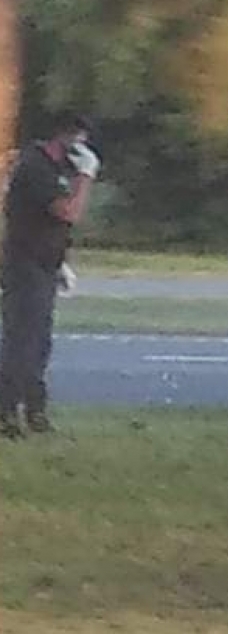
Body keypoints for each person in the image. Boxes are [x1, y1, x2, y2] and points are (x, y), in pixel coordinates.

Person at [1, 114, 100, 438]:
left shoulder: (55, 169)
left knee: (40, 342)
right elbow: (69, 212)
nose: (81, 146)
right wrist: (86, 176)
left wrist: (61, 262)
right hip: (25, 263)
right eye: (79, 139)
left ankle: (35, 411)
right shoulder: (36, 167)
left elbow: (58, 225)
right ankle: (6, 413)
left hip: (46, 263)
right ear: (64, 136)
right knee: (22, 341)